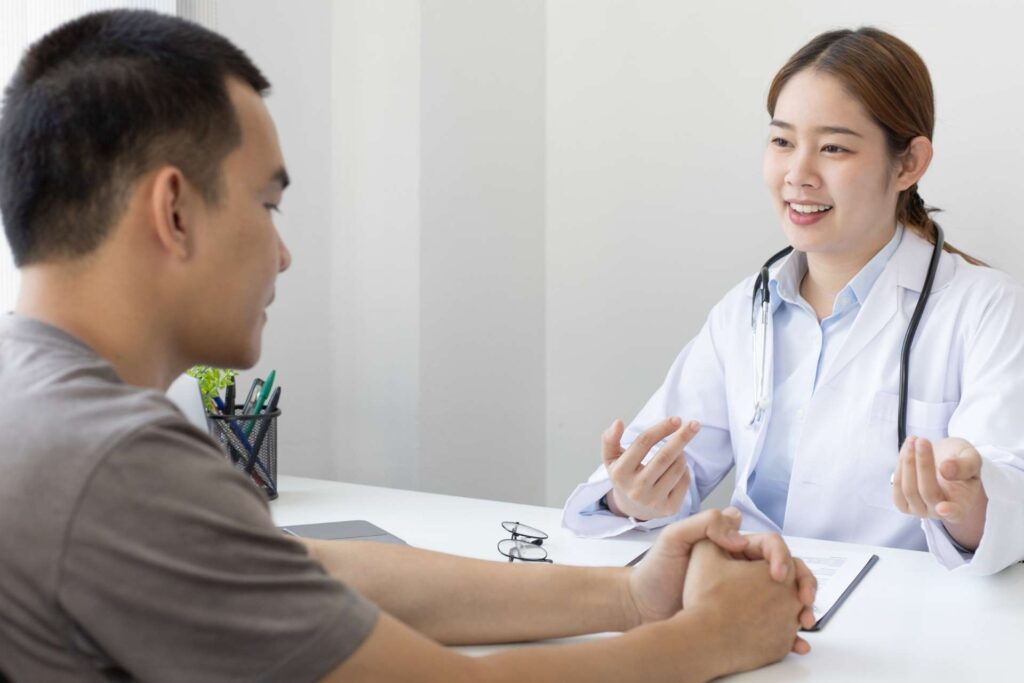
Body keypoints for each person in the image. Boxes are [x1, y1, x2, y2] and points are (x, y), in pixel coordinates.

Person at [0, 10, 816, 682]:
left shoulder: (38, 404)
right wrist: (712, 636)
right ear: (174, 210)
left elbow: (303, 572)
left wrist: (632, 596)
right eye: (267, 204)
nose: (282, 253)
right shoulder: (115, 460)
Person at [563, 27, 1024, 576]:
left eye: (833, 148)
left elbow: (1006, 508)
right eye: (782, 141)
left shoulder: (986, 308)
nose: (797, 175)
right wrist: (632, 498)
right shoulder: (746, 310)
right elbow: (651, 470)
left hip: (899, 620)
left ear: (908, 164)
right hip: (746, 597)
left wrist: (965, 502)